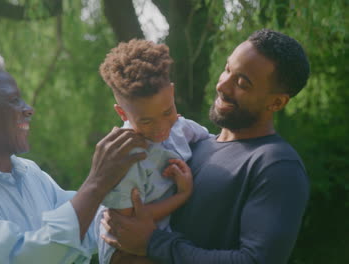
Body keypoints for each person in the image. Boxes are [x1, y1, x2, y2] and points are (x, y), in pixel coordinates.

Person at [0, 50, 148, 264]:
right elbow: (23, 257)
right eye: (14, 100)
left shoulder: (29, 172)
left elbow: (89, 226)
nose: (29, 109)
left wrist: (145, 190)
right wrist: (97, 182)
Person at [101, 29, 311, 264]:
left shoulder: (277, 166)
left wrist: (153, 243)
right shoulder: (192, 145)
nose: (223, 86)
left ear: (277, 101)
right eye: (227, 69)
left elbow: (255, 261)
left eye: (242, 83)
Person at [96, 39, 210, 264]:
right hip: (124, 249)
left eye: (167, 111)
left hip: (156, 240)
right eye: (146, 121)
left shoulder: (180, 127)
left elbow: (216, 140)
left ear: (172, 92)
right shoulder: (125, 157)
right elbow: (127, 224)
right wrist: (182, 195)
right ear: (123, 113)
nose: (161, 128)